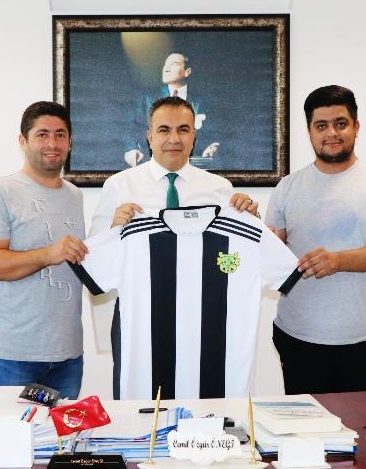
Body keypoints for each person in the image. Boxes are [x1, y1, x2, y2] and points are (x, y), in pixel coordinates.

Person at [82, 96, 300, 400]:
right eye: (164, 130)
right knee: (141, 404)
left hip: (207, 317)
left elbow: (238, 252)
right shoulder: (119, 186)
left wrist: (251, 220)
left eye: (183, 129)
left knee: (208, 401)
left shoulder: (220, 188)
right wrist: (115, 228)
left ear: (194, 136)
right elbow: (95, 257)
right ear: (149, 136)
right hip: (143, 319)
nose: (174, 139)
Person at [265, 85, 366, 395]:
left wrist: (338, 260)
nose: (331, 133)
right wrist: (258, 236)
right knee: (307, 427)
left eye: (340, 123)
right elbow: (270, 254)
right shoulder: (287, 187)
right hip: (298, 339)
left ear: (356, 126)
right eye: (321, 126)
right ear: (309, 131)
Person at [0, 101, 88, 399]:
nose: (52, 143)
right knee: (10, 432)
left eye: (60, 135)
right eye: (42, 134)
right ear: (23, 141)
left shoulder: (74, 195)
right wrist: (49, 254)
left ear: (70, 142)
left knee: (62, 432)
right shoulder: (0, 192)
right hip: (13, 356)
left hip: (67, 356)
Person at [124, 52, 218, 167]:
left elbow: (214, 133)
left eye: (174, 64)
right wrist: (131, 149)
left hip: (192, 166)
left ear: (187, 72)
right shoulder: (147, 99)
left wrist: (212, 146)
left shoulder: (202, 102)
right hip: (154, 165)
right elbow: (133, 128)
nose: (166, 69)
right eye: (165, 64)